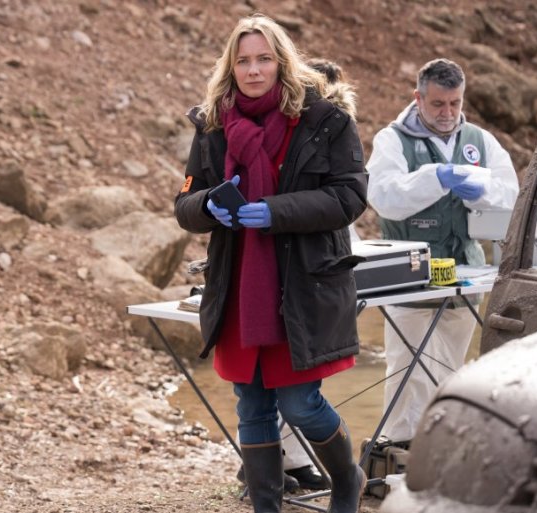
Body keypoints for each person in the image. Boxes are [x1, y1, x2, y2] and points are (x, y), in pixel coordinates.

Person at [174, 14, 368, 513]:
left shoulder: (325, 120)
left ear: (282, 62)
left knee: (299, 403)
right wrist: (207, 206)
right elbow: (185, 203)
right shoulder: (213, 124)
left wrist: (277, 211)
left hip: (301, 288)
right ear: (231, 67)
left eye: (264, 59)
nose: (254, 70)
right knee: (253, 404)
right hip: (239, 286)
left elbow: (349, 197)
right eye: (243, 61)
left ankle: (347, 479)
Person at [366, 58, 519, 443]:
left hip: (467, 270)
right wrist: (436, 177)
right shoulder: (392, 140)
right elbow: (382, 197)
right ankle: (399, 445)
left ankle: (442, 443)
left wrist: (482, 191)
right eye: (437, 104)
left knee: (451, 366)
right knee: (406, 368)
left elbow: (511, 194)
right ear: (418, 98)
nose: (448, 112)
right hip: (407, 273)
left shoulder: (480, 140)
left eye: (455, 103)